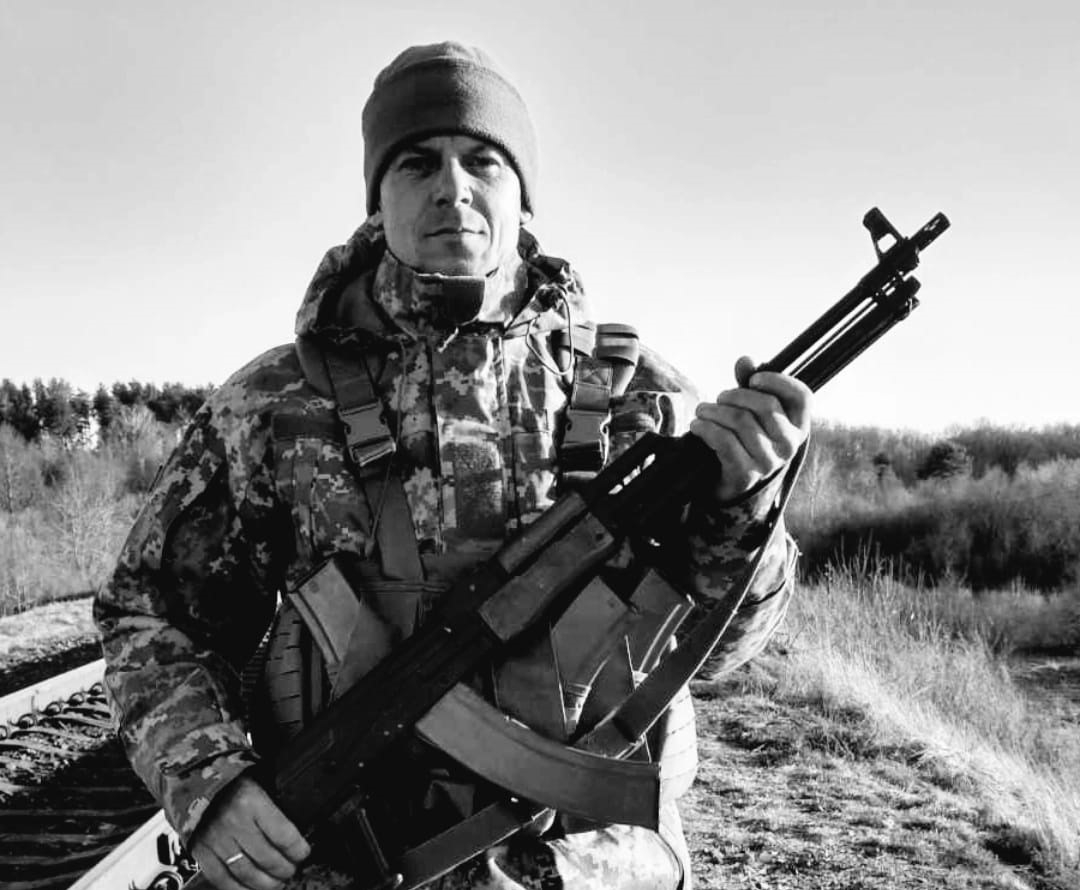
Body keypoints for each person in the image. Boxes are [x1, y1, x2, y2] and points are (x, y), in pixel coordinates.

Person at [94, 41, 812, 890]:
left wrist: (744, 507)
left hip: (591, 867)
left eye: (482, 159)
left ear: (522, 191)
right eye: (416, 162)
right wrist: (209, 781)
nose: (452, 186)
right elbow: (151, 615)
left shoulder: (640, 398)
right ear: (377, 195)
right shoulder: (274, 403)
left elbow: (720, 654)